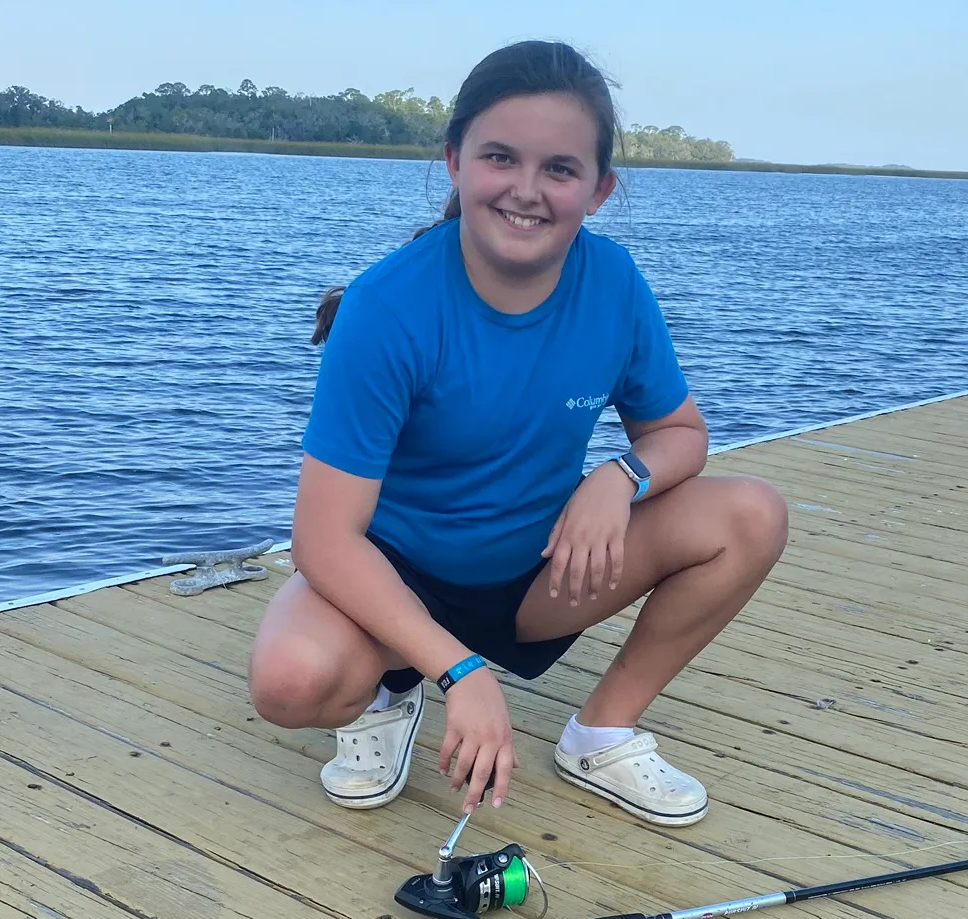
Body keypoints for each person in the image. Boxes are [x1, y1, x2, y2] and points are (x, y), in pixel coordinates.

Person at [249, 40, 786, 826]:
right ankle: (388, 695)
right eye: (501, 157)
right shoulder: (386, 307)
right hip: (395, 578)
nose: (527, 191)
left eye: (560, 169)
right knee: (290, 680)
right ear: (455, 161)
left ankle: (600, 732)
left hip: (537, 573)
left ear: (599, 190)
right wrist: (461, 671)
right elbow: (324, 540)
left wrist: (619, 478)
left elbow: (680, 432)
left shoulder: (615, 283)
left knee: (751, 515)